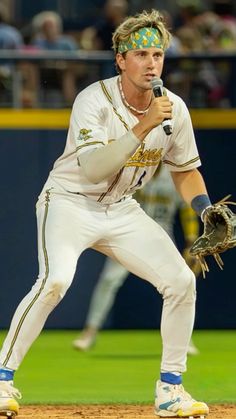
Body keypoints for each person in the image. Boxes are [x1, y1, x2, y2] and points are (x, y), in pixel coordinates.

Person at [0, 9, 212, 418]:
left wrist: (204, 210)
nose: (152, 63)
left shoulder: (175, 109)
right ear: (120, 59)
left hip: (121, 209)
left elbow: (185, 170)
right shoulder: (94, 99)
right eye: (141, 54)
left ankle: (170, 390)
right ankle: (2, 379)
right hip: (69, 200)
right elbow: (94, 167)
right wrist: (143, 125)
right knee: (55, 281)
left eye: (158, 55)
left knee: (180, 281)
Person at [73, 163, 201, 356]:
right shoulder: (134, 168)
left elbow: (187, 207)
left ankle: (184, 339)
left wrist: (191, 239)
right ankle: (89, 332)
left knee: (180, 283)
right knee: (109, 280)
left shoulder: (172, 173)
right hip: (128, 231)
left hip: (161, 234)